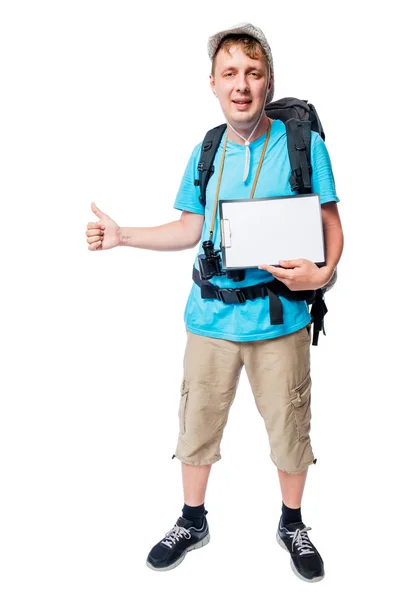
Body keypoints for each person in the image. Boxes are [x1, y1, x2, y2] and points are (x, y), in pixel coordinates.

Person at [85, 22, 343, 582]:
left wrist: (320, 275)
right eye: (230, 74)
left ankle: (293, 523)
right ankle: (192, 519)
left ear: (267, 81)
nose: (241, 85)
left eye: (252, 73)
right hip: (209, 319)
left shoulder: (302, 146)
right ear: (214, 83)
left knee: (290, 427)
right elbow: (188, 227)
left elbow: (330, 223)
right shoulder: (206, 151)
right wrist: (123, 234)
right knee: (196, 423)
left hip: (279, 318)